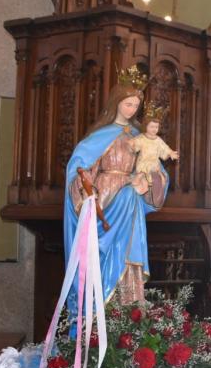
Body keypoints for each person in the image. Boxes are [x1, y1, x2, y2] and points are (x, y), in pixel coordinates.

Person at [65, 65, 168, 308]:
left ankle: (127, 314)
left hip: (129, 201)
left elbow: (154, 168)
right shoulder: (100, 135)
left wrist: (149, 179)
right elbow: (80, 167)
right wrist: (84, 188)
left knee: (127, 256)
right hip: (105, 199)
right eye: (128, 104)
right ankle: (98, 314)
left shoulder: (140, 136)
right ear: (116, 102)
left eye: (135, 105)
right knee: (100, 255)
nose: (132, 110)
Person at [131, 102, 178, 209]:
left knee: (161, 180)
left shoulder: (158, 140)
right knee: (142, 177)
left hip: (154, 165)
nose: (154, 129)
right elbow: (134, 144)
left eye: (156, 127)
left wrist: (171, 153)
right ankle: (140, 190)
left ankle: (155, 199)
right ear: (145, 126)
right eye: (152, 127)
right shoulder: (142, 138)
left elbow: (164, 148)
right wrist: (131, 144)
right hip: (143, 163)